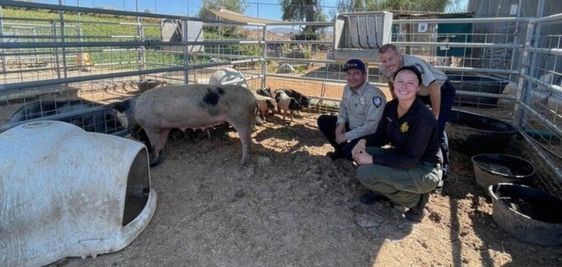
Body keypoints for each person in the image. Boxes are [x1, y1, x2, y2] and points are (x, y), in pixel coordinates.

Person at [352, 66, 443, 223]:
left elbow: (410, 160)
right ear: (393, 83)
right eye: (399, 81)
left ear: (418, 88)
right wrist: (362, 141)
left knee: (364, 173)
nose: (404, 87)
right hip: (402, 157)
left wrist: (372, 160)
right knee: (362, 153)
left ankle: (416, 201)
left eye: (410, 83)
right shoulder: (391, 107)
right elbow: (382, 136)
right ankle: (384, 188)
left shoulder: (423, 117)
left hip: (424, 169)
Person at [378, 44, 455, 180]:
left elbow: (434, 86)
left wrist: (434, 117)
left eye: (391, 59)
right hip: (417, 91)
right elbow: (392, 86)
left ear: (399, 55)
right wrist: (399, 109)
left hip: (441, 90)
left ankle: (440, 168)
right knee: (411, 125)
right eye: (384, 61)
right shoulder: (384, 70)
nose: (388, 64)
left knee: (436, 129)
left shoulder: (414, 64)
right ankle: (410, 157)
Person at [317, 59, 387, 160]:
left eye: (356, 73)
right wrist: (340, 124)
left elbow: (372, 127)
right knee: (323, 120)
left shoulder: (374, 96)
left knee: (349, 152)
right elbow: (343, 108)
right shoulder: (347, 89)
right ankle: (341, 151)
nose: (352, 77)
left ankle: (348, 153)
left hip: (369, 134)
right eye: (348, 73)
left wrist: (345, 136)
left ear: (365, 75)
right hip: (353, 126)